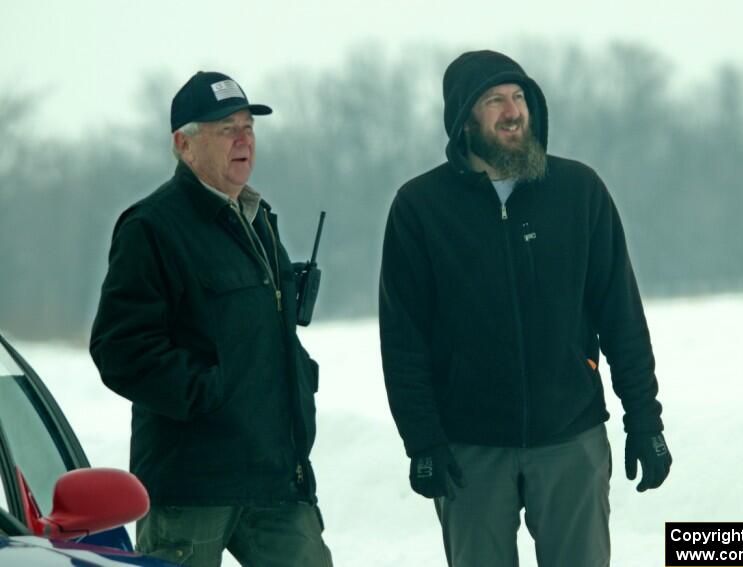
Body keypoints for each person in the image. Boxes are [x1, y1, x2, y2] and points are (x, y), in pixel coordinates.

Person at [379, 50, 672, 567]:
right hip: (469, 449)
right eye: (494, 101)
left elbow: (621, 317)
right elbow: (403, 341)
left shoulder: (579, 192)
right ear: (463, 118)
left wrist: (645, 421)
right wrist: (422, 440)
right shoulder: (420, 208)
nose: (512, 112)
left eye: (519, 98)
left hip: (570, 439)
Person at [90, 71, 332, 567]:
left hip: (275, 477)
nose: (244, 139)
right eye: (226, 129)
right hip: (190, 487)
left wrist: (298, 377)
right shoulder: (152, 227)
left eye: (248, 127)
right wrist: (210, 393)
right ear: (184, 144)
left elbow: (264, 328)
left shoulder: (259, 219)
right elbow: (120, 349)